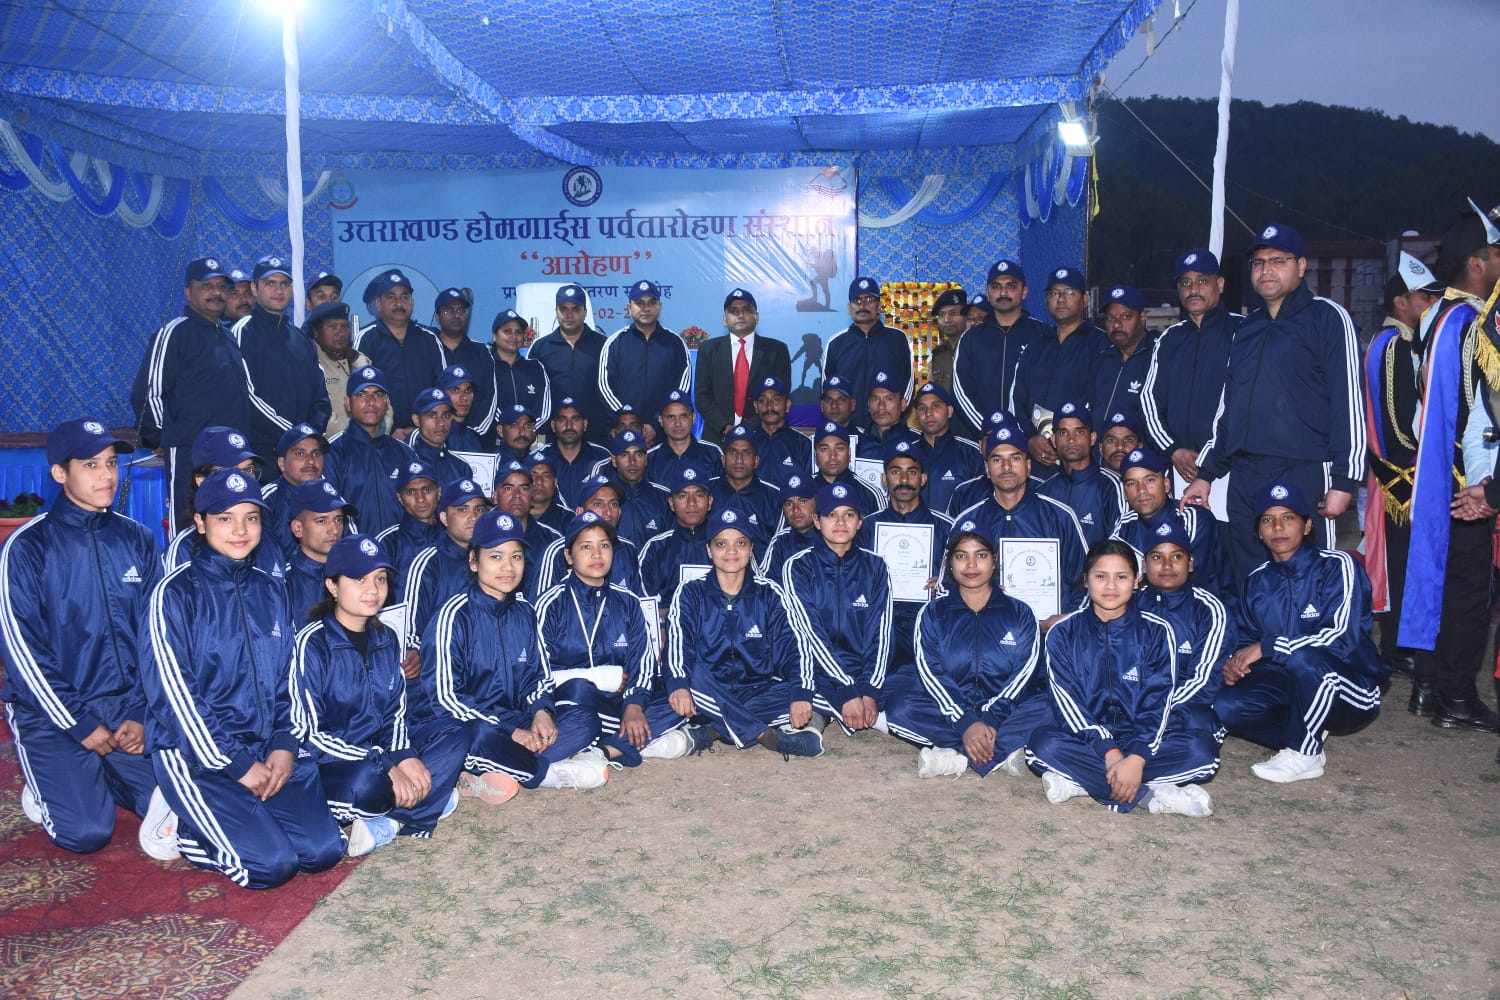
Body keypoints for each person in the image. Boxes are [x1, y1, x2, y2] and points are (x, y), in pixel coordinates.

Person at [140, 468, 345, 887]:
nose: (240, 530)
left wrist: (285, 743)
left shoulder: (270, 590)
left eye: (250, 518)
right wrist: (235, 763)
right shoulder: (173, 595)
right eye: (225, 518)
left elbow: (289, 676)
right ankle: (187, 829)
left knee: (322, 852)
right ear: (200, 523)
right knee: (272, 866)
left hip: (265, 747)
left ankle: (246, 816)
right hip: (197, 756)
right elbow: (175, 697)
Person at [1, 419, 165, 857]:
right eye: (90, 464)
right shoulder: (27, 548)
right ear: (60, 473)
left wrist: (140, 711)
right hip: (52, 712)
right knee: (87, 833)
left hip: (124, 709)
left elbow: (156, 637)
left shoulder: (138, 539)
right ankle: (51, 778)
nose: (107, 475)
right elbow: (22, 652)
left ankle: (95, 773)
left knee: (185, 801)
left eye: (111, 463)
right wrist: (79, 723)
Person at [1182, 223, 1366, 585]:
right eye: (1259, 263)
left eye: (1278, 261)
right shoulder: (1246, 328)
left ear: (1301, 266)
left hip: (1303, 470)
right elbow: (1229, 408)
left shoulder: (1328, 317)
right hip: (1245, 475)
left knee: (1308, 578)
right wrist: (1206, 474)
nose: (1266, 270)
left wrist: (1345, 481)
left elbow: (1350, 402)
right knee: (1250, 579)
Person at [289, 534, 468, 854]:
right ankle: (428, 799)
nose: (372, 589)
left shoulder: (387, 638)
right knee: (368, 781)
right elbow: (310, 737)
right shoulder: (311, 645)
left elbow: (395, 715)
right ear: (332, 586)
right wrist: (386, 763)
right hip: (333, 766)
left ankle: (391, 821)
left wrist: (404, 754)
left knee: (455, 732)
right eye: (359, 579)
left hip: (378, 754)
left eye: (380, 578)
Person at [414, 508, 609, 793]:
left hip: (515, 719)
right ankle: (549, 774)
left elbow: (538, 678)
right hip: (470, 723)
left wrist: (541, 711)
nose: (508, 567)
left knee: (584, 718)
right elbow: (446, 699)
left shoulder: (525, 612)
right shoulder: (453, 616)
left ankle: (500, 768)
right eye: (496, 556)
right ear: (473, 561)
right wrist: (511, 732)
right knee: (476, 738)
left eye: (516, 557)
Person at [1027, 540, 1219, 816]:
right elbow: (1067, 703)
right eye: (1100, 576)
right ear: (1085, 580)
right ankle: (1150, 796)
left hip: (1139, 739)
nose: (1110, 586)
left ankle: (1082, 781)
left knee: (1203, 753)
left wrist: (1137, 756)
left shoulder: (1157, 631)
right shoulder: (1062, 633)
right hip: (1087, 740)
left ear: (1136, 581)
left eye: (1121, 577)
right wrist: (1110, 752)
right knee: (1041, 746)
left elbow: (1158, 700)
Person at [1213, 483, 1387, 782]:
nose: (1277, 527)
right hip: (1288, 685)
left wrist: (1268, 647)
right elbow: (1245, 640)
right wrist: (1234, 664)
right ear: (1259, 532)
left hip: (1349, 687)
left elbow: (1341, 637)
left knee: (1304, 659)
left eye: (1288, 517)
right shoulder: (1257, 582)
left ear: (1307, 526)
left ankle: (1302, 752)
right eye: (1267, 520)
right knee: (1227, 706)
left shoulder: (1338, 566)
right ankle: (1306, 737)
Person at [1403, 205, 1500, 731]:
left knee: (1440, 584)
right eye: (1497, 254)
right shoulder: (1473, 324)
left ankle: (1428, 687)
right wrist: (1483, 482)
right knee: (1467, 594)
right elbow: (1480, 410)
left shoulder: (1437, 316)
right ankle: (1456, 697)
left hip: (1441, 472)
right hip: (1467, 480)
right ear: (1477, 263)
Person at [535, 512, 708, 767]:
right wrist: (599, 677)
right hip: (572, 706)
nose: (597, 554)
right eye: (586, 547)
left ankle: (603, 750)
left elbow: (643, 661)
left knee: (683, 698)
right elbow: (538, 672)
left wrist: (634, 704)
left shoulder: (628, 601)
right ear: (568, 556)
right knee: (580, 697)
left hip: (618, 704)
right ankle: (621, 741)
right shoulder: (550, 603)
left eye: (604, 545)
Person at [882, 522, 1052, 779]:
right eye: (961, 556)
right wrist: (965, 721)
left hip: (1005, 711)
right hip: (951, 709)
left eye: (980, 555)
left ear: (994, 561)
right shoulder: (932, 613)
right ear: (950, 564)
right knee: (900, 708)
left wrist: (991, 717)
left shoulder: (1020, 613)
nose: (971, 565)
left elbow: (1024, 674)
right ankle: (998, 750)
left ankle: (958, 755)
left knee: (1049, 706)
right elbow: (931, 672)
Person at [664, 506, 824, 758]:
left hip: (758, 691)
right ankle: (765, 735)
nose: (731, 551)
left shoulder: (770, 593)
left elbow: (794, 647)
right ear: (709, 550)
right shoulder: (690, 592)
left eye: (740, 543)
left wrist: (800, 694)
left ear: (751, 549)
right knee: (689, 675)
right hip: (706, 691)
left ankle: (712, 731)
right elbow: (677, 645)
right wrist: (679, 686)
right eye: (721, 544)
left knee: (810, 688)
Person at [1361, 253, 1441, 678]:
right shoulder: (1395, 345)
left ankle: (1400, 645)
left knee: (1400, 562)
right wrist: (1418, 460)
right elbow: (1396, 419)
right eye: (1423, 297)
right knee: (1400, 565)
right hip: (1401, 473)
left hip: (1396, 471)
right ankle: (1397, 648)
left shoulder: (1393, 342)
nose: (1429, 303)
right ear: (1400, 302)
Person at [131, 256, 253, 530]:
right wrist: (162, 437)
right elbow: (147, 392)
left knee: (226, 523)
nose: (216, 292)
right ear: (188, 291)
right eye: (207, 286)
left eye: (221, 287)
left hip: (231, 453)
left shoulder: (227, 336)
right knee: (188, 521)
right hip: (189, 452)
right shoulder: (174, 332)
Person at [952, 412, 1089, 626]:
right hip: (985, 634)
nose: (1006, 467)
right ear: (987, 469)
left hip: (1049, 636)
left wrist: (1066, 622)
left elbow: (1085, 581)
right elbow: (947, 585)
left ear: (1028, 466)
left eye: (1015, 458)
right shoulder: (968, 520)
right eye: (997, 459)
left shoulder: (1060, 516)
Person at [781, 483, 894, 732]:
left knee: (905, 691)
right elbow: (810, 633)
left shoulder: (876, 566)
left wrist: (869, 690)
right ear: (817, 521)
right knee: (790, 688)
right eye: (831, 514)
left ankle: (824, 713)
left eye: (849, 515)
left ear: (860, 522)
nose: (840, 522)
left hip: (863, 669)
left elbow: (881, 632)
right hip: (817, 668)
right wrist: (847, 689)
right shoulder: (798, 566)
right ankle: (825, 712)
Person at [1141, 249, 1242, 489]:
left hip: (1232, 471)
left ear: (1220, 284)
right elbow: (1149, 400)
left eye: (1202, 281)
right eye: (1185, 283)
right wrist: (1172, 449)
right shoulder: (1169, 338)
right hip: (1179, 469)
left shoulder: (1243, 331)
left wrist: (1210, 462)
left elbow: (1244, 407)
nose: (1193, 289)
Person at [1136, 520, 1232, 742]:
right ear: (1144, 565)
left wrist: (1156, 710)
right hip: (1132, 700)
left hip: (1181, 705)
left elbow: (1205, 680)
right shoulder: (1128, 604)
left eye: (1177, 557)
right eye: (1157, 557)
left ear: (1190, 564)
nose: (1167, 566)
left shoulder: (1209, 609)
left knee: (1201, 729)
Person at [859, 439, 953, 665]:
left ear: (923, 479)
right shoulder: (866, 528)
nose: (903, 480)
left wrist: (946, 584)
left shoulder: (947, 528)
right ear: (884, 479)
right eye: (895, 472)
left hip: (930, 627)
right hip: (879, 628)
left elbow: (964, 581)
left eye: (912, 472)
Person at [233, 255, 331, 462]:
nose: (279, 290)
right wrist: (294, 436)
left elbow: (321, 395)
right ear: (254, 288)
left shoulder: (300, 338)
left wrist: (309, 435)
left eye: (285, 284)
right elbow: (245, 395)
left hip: (304, 451)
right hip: (260, 453)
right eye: (270, 283)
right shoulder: (242, 332)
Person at [1011, 266, 1107, 473]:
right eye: (1054, 293)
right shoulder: (1035, 345)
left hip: (1080, 461)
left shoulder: (1101, 344)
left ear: (1085, 299)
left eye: (1069, 292)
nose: (1061, 299)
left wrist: (1072, 440)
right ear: (1046, 301)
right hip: (1036, 457)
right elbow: (1017, 399)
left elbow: (1102, 403)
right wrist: (1030, 438)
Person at [1111, 447, 1231, 599]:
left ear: (1166, 484)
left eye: (1149, 480)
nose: (1141, 490)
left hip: (1201, 608)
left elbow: (1185, 582)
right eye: (1131, 483)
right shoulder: (1124, 526)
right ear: (1125, 493)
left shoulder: (1193, 518)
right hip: (1149, 607)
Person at [952, 260, 1045, 441]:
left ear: (1024, 292)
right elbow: (960, 392)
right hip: (980, 441)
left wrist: (1030, 435)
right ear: (988, 293)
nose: (1003, 292)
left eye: (1011, 286)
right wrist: (989, 431)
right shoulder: (970, 338)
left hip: (1030, 443)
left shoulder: (1042, 335)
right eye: (996, 286)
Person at [323, 366, 419, 537]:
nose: (371, 401)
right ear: (347, 403)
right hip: (353, 550)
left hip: (401, 551)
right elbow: (328, 513)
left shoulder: (405, 454)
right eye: (361, 394)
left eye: (378, 394)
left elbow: (418, 511)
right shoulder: (332, 453)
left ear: (387, 402)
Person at [404, 478, 490, 658]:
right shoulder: (429, 562)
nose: (473, 517)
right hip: (441, 661)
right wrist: (414, 651)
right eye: (462, 509)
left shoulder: (497, 559)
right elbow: (410, 630)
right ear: (444, 518)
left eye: (479, 509)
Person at [352, 269, 445, 435]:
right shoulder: (366, 339)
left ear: (412, 302)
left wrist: (425, 427)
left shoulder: (429, 339)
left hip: (426, 434)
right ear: (378, 303)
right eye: (391, 297)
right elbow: (358, 392)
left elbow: (442, 387)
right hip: (382, 436)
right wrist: (388, 430)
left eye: (404, 297)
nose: (399, 303)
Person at [694, 288, 793, 444]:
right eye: (733, 311)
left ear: (757, 317)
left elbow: (781, 396)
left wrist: (747, 428)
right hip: (717, 435)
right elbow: (702, 396)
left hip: (762, 435)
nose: (740, 315)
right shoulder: (708, 350)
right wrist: (724, 426)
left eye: (746, 309)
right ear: (724, 319)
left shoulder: (776, 350)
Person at [598, 279, 691, 441]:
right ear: (629, 308)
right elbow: (605, 388)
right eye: (639, 303)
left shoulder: (675, 343)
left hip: (665, 433)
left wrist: (656, 424)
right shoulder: (614, 343)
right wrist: (630, 423)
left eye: (651, 303)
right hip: (625, 434)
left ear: (659, 306)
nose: (646, 308)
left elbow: (681, 389)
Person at [823, 276, 915, 431]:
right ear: (849, 307)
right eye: (857, 300)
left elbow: (908, 384)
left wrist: (894, 420)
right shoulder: (836, 343)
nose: (862, 305)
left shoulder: (897, 339)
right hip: (848, 431)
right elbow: (828, 391)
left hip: (888, 429)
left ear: (879, 306)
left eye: (869, 299)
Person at [535, 475, 646, 597]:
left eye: (613, 504)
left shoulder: (628, 549)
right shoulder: (557, 552)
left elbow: (639, 601)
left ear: (619, 512)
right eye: (598, 504)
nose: (608, 511)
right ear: (580, 512)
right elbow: (543, 603)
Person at [527, 285, 609, 445]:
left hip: (597, 433)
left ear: (585, 312)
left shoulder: (604, 345)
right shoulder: (541, 347)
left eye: (575, 309)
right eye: (563, 309)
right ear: (556, 311)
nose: (569, 315)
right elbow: (532, 392)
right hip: (554, 434)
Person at [1034, 401, 1124, 546]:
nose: (1071, 439)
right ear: (1054, 440)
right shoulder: (1042, 492)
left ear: (1092, 438)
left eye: (1079, 432)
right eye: (1063, 433)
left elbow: (1121, 546)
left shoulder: (1114, 487)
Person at [638, 466, 715, 606]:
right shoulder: (656, 548)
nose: (691, 503)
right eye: (682, 496)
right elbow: (643, 601)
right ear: (671, 504)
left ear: (709, 502)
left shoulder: (727, 543)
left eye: (699, 495)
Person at [282, 479, 354, 623]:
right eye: (321, 521)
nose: (334, 530)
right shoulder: (283, 584)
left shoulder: (358, 573)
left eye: (338, 519)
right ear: (298, 529)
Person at [489, 459, 562, 598]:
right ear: (494, 497)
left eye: (524, 488)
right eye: (508, 488)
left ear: (532, 498)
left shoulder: (553, 541)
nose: (517, 495)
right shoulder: (479, 535)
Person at [707, 425, 783, 558]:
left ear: (756, 461)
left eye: (746, 453)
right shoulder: (706, 491)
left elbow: (780, 548)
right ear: (723, 460)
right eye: (733, 452)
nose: (739, 460)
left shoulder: (774, 497)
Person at [910, 381, 983, 515]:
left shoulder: (972, 453)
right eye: (922, 408)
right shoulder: (906, 455)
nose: (928, 413)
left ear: (949, 411)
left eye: (935, 406)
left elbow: (982, 504)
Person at [261, 423, 331, 559]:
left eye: (316, 454)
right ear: (281, 463)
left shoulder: (332, 498)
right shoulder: (266, 502)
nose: (310, 461)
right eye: (300, 453)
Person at [1089, 285, 1155, 426]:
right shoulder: (1102, 357)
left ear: (1142, 317)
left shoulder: (1158, 357)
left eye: (1126, 317)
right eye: (1110, 318)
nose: (1116, 325)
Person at [306, 301, 371, 438]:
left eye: (344, 326)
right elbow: (319, 413)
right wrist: (356, 436)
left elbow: (384, 404)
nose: (340, 333)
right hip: (332, 445)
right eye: (332, 326)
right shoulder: (310, 363)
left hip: (372, 442)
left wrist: (378, 430)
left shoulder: (360, 360)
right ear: (316, 332)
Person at [375, 460, 443, 585]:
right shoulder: (387, 542)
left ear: (438, 492)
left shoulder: (453, 536)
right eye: (411, 492)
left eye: (427, 490)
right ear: (400, 498)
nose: (420, 499)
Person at [539, 398, 611, 509]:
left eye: (575, 419)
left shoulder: (602, 457)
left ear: (585, 424)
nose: (569, 426)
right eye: (562, 420)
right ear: (553, 426)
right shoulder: (540, 457)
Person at [607, 429, 671, 549]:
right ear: (614, 460)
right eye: (625, 455)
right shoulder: (602, 498)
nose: (632, 461)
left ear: (646, 459)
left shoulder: (664, 498)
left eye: (638, 455)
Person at [490, 308, 551, 433]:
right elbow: (485, 406)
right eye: (507, 331)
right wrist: (508, 430)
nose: (514, 336)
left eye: (518, 332)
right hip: (493, 439)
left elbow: (543, 410)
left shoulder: (536, 368)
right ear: (494, 336)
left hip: (530, 438)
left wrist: (526, 430)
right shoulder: (485, 367)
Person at [646, 390, 723, 487]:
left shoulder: (712, 453)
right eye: (670, 417)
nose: (677, 423)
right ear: (661, 420)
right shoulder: (650, 458)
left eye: (683, 416)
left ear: (693, 418)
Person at [809, 421, 882, 516]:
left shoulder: (870, 493)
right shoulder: (805, 489)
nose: (832, 456)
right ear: (815, 454)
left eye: (839, 449)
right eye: (824, 449)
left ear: (849, 453)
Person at [407, 387, 474, 486]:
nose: (441, 423)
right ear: (417, 419)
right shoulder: (405, 460)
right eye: (432, 415)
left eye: (446, 415)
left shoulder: (461, 466)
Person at [748, 375, 813, 475]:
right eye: (762, 400)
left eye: (776, 400)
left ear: (787, 405)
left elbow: (809, 483)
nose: (769, 406)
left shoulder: (803, 444)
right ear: (756, 407)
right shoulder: (747, 443)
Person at [760, 470, 819, 578]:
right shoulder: (781, 541)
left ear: (817, 502)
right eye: (788, 504)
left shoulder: (833, 536)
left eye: (803, 501)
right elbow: (766, 581)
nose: (795, 509)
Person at [855, 369, 920, 460]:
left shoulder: (917, 441)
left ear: (903, 405)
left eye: (889, 399)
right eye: (875, 399)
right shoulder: (857, 442)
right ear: (868, 405)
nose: (881, 406)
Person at [435, 364, 491, 453]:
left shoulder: (474, 438)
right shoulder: (427, 435)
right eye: (456, 390)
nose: (464, 397)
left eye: (468, 391)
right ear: (441, 394)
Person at [924, 287, 967, 392]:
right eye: (941, 315)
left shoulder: (979, 348)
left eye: (954, 313)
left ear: (967, 315)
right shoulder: (938, 354)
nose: (947, 319)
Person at [525, 452, 574, 535]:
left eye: (546, 476)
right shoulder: (512, 514)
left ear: (555, 482)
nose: (539, 481)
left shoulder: (568, 519)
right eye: (533, 475)